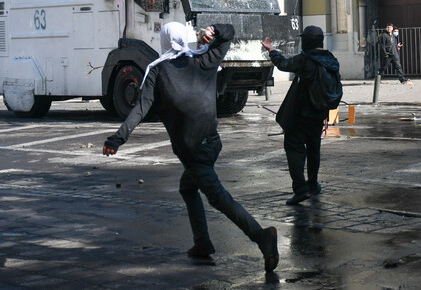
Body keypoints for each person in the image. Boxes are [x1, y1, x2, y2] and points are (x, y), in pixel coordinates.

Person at [102, 22, 279, 273]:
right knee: (188, 188)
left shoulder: (158, 71)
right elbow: (228, 34)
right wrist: (214, 30)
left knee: (217, 197)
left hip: (192, 149)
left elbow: (140, 109)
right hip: (212, 142)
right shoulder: (204, 60)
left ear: (164, 40)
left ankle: (261, 237)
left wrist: (116, 139)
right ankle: (202, 242)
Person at [261, 26, 340, 205]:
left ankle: (300, 189)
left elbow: (283, 64)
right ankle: (312, 184)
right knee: (314, 149)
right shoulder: (331, 59)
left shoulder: (305, 60)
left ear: (307, 41)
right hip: (319, 114)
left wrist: (272, 50)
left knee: (294, 149)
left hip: (299, 114)